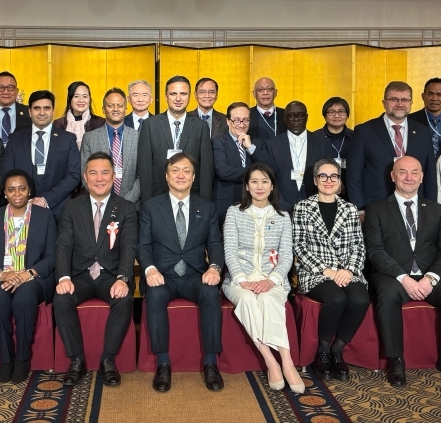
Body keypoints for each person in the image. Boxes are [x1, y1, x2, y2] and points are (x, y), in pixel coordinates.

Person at [363, 156, 441, 387]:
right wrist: (404, 278)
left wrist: (430, 278)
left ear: (422, 177)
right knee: (389, 295)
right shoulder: (376, 209)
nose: (409, 177)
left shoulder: (436, 210)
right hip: (393, 275)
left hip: (430, 274)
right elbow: (375, 251)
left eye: (414, 172)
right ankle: (396, 359)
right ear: (393, 176)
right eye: (402, 172)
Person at [138, 152, 225, 393]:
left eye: (186, 171)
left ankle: (210, 363)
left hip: (194, 276)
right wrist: (150, 269)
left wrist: (215, 268)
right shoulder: (150, 207)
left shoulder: (206, 208)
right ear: (166, 176)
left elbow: (215, 244)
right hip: (162, 275)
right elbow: (143, 245)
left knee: (210, 294)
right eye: (175, 170)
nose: (180, 175)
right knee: (154, 296)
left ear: (194, 176)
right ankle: (163, 363)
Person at [55, 153, 138, 387]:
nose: (99, 178)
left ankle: (108, 360)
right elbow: (63, 245)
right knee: (61, 298)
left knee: (123, 299)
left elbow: (129, 247)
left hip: (110, 275)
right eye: (93, 173)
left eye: (105, 172)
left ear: (113, 176)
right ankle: (77, 360)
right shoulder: (71, 207)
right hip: (80, 275)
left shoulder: (126, 208)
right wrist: (63, 277)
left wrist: (123, 278)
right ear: (85, 177)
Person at [222, 163, 303, 394]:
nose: (259, 186)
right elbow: (230, 250)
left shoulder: (282, 216)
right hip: (240, 280)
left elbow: (287, 255)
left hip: (273, 279)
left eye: (265, 181)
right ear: (247, 186)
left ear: (272, 186)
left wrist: (272, 279)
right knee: (247, 300)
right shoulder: (234, 212)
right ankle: (270, 360)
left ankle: (287, 362)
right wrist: (241, 279)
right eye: (255, 181)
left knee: (269, 300)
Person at [291, 159, 370, 383]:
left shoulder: (350, 208)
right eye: (323, 176)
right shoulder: (302, 208)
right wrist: (327, 271)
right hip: (315, 272)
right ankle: (323, 351)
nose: (329, 180)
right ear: (315, 180)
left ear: (339, 180)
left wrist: (349, 269)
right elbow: (299, 245)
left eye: (334, 176)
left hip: (347, 270)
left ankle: (338, 349)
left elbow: (358, 245)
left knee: (360, 299)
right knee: (335, 298)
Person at [0, 169, 57, 385]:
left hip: (34, 277)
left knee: (24, 297)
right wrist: (2, 274)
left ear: (29, 190)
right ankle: (6, 358)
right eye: (11, 190)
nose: (17, 194)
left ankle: (22, 358)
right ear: (4, 193)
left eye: (21, 188)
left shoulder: (44, 216)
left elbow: (52, 256)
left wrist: (27, 274)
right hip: (1, 276)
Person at [346, 81, 437, 211]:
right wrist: (359, 209)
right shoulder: (364, 131)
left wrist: (430, 208)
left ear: (411, 103)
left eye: (405, 100)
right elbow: (353, 176)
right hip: (374, 206)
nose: (400, 104)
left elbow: (430, 176)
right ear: (384, 103)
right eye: (394, 99)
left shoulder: (423, 132)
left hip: (415, 205)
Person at [0, 90, 81, 219]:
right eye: (37, 108)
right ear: (29, 111)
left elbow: (74, 175)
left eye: (46, 108)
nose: (42, 113)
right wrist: (26, 199)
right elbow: (7, 173)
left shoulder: (68, 139)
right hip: (21, 208)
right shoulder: (15, 139)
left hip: (58, 209)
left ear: (53, 110)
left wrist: (46, 199)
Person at [137, 75, 213, 202]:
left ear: (189, 96)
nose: (178, 98)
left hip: (192, 197)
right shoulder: (150, 125)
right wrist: (147, 204)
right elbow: (145, 169)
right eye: (173, 94)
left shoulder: (201, 126)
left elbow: (206, 169)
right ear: (166, 97)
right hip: (158, 196)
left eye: (183, 94)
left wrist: (204, 203)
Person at [258, 101, 332, 210]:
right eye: (291, 116)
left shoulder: (322, 143)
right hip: (280, 206)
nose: (296, 119)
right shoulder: (272, 144)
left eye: (300, 115)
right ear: (284, 118)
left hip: (316, 205)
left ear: (307, 117)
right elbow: (268, 176)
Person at [79, 88, 141, 206]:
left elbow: (142, 176)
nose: (116, 109)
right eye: (111, 106)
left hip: (131, 206)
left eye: (120, 105)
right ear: (103, 109)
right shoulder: (89, 138)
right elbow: (85, 175)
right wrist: (103, 200)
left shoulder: (138, 137)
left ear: (126, 109)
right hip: (99, 205)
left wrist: (126, 203)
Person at [211, 102, 261, 224]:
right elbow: (223, 170)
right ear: (228, 121)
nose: (241, 125)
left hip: (254, 202)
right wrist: (254, 176)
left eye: (245, 120)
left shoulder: (258, 144)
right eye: (236, 120)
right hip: (226, 203)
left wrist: (250, 148)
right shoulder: (218, 143)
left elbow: (267, 170)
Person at [408, 78, 441, 159]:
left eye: (439, 94)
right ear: (423, 96)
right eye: (430, 94)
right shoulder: (410, 120)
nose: (434, 98)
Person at [53, 81, 106, 149]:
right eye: (76, 96)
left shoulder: (100, 123)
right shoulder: (58, 124)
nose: (81, 100)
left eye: (85, 96)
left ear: (89, 100)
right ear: (69, 100)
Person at [0, 71, 32, 147]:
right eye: (0, 88)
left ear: (16, 91)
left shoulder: (29, 112)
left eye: (10, 87)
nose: (6, 92)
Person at [314, 97, 354, 171]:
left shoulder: (356, 137)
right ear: (324, 116)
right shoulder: (314, 138)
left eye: (341, 112)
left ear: (347, 115)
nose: (336, 115)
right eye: (331, 112)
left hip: (350, 180)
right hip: (325, 181)